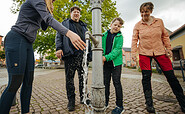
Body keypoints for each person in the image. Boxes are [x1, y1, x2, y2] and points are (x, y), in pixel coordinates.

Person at [0, 0, 86, 113]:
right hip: (17, 38)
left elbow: (44, 26)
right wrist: (68, 33)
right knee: (15, 82)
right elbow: (48, 21)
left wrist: (50, 11)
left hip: (28, 43)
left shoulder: (43, 6)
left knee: (28, 81)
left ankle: (25, 111)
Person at [131, 2, 185, 113]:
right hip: (144, 53)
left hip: (160, 51)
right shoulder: (138, 25)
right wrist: (133, 53)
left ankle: (182, 102)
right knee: (146, 78)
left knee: (171, 76)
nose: (143, 14)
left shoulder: (159, 22)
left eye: (146, 11)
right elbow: (134, 40)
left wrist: (168, 48)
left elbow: (165, 36)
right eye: (141, 12)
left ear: (151, 11)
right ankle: (149, 104)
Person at [55, 6, 92, 111]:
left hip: (82, 56)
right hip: (70, 54)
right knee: (69, 79)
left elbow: (88, 40)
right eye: (74, 12)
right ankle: (71, 101)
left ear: (80, 14)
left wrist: (89, 54)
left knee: (83, 78)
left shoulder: (84, 25)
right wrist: (59, 48)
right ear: (71, 14)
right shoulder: (65, 24)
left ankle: (83, 97)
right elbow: (59, 35)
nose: (76, 14)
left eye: (78, 12)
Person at [102, 17, 124, 114]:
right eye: (115, 25)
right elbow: (100, 47)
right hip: (105, 64)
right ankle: (105, 103)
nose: (116, 27)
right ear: (111, 24)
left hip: (116, 64)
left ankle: (120, 106)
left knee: (117, 83)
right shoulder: (103, 35)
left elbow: (116, 51)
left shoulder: (120, 37)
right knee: (105, 83)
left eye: (119, 26)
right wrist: (102, 58)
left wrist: (106, 57)